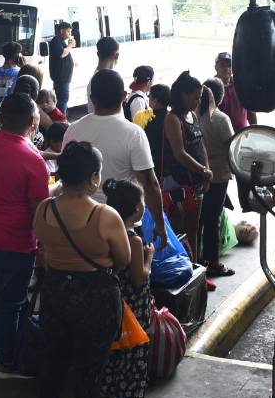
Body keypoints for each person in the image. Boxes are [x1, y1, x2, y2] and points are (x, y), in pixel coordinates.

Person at [31, 142, 131, 398]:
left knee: (54, 358)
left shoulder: (45, 208)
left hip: (56, 291)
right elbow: (124, 259)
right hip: (96, 296)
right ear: (92, 179)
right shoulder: (105, 216)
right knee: (89, 368)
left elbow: (43, 247)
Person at [0, 93, 49, 378]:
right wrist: (43, 246)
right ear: (32, 121)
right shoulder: (33, 160)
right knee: (13, 302)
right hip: (15, 242)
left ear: (1, 118)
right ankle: (6, 362)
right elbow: (38, 212)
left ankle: (0, 344)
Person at [64, 70, 165, 245]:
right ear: (124, 96)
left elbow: (64, 178)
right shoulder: (134, 134)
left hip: (79, 225)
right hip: (122, 227)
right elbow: (149, 184)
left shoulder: (73, 130)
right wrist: (160, 225)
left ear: (92, 98)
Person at [99, 177, 154, 398]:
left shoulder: (103, 229)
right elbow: (139, 278)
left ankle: (106, 392)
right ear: (137, 208)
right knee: (134, 355)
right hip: (132, 306)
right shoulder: (133, 240)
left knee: (111, 350)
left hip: (108, 301)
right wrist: (149, 257)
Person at [162, 71, 210, 271]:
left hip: (196, 181)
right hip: (179, 184)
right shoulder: (172, 119)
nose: (198, 101)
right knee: (180, 229)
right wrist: (203, 171)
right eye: (195, 97)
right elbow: (180, 154)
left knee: (194, 227)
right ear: (182, 95)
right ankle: (184, 269)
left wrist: (206, 170)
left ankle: (195, 267)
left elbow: (201, 145)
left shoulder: (192, 115)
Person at [199, 78, 235, 279]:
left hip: (199, 174)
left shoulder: (194, 117)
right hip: (219, 175)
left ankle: (198, 258)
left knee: (201, 219)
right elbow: (232, 146)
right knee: (213, 219)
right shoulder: (220, 119)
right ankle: (212, 262)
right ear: (220, 97)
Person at [215, 52, 256, 131]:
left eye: (229, 65)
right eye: (223, 65)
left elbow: (250, 111)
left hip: (242, 134)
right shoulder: (211, 87)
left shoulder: (241, 85)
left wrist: (255, 131)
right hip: (222, 136)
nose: (226, 68)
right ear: (216, 67)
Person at [48, 22, 75, 116]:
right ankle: (62, 122)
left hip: (64, 78)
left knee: (64, 100)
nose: (70, 34)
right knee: (63, 100)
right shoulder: (56, 40)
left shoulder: (60, 41)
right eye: (68, 31)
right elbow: (62, 54)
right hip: (61, 78)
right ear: (61, 30)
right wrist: (70, 46)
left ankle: (63, 120)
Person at [142, 83, 171, 162]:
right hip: (171, 164)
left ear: (155, 100)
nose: (148, 99)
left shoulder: (149, 119)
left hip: (156, 164)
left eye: (149, 96)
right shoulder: (173, 117)